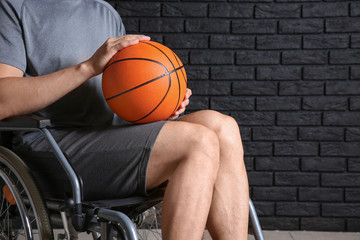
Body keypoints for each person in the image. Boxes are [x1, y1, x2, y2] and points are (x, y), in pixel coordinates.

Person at [0, 0, 249, 239]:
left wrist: (160, 102)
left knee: (222, 127)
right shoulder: (13, 7)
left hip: (109, 140)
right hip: (52, 149)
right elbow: (3, 100)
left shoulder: (104, 11)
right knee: (197, 141)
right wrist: (87, 68)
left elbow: (120, 95)